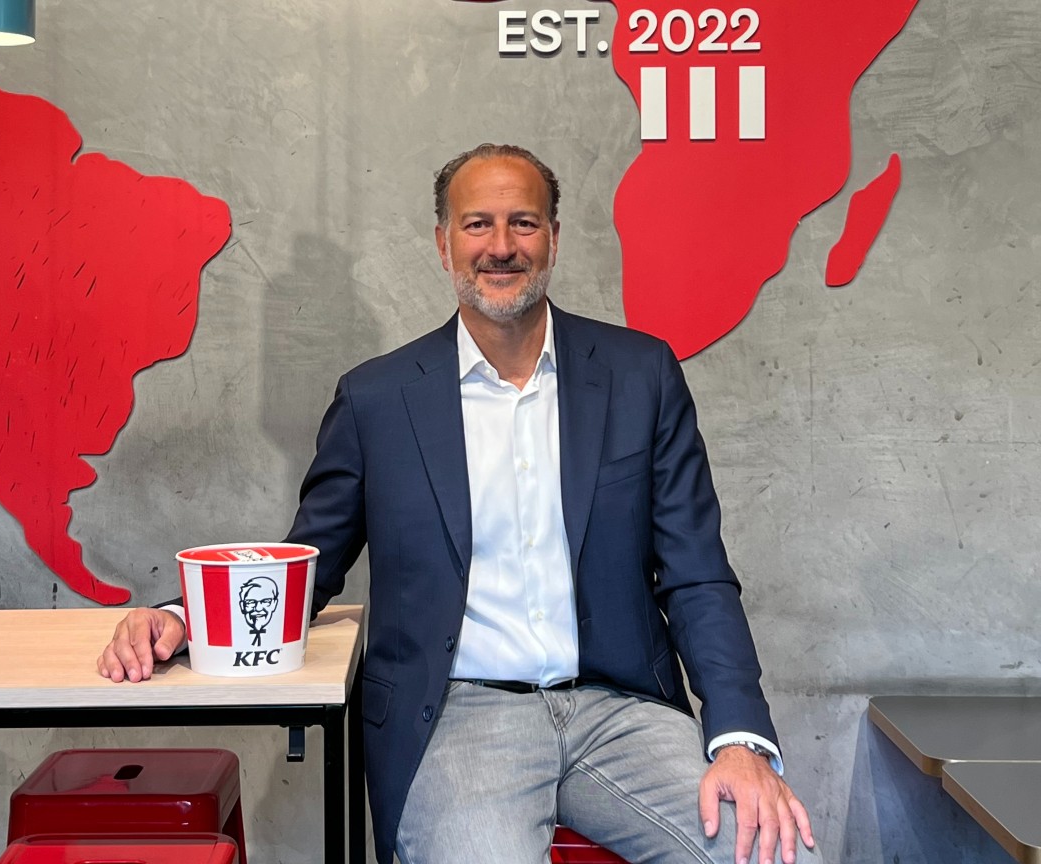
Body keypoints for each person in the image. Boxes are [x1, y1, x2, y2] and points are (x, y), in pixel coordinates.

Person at [98, 143, 818, 864]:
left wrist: (740, 740)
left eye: (523, 223)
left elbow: (696, 574)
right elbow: (310, 565)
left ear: (554, 238)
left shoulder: (641, 376)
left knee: (780, 856)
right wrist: (181, 618)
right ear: (444, 244)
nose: (501, 246)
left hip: (622, 714)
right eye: (478, 225)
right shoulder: (377, 400)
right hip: (457, 716)